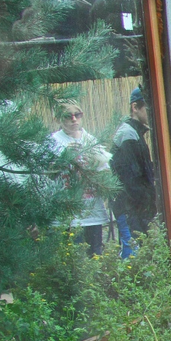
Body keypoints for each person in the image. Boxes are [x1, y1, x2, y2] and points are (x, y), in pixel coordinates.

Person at [48, 99, 111, 256]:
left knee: (95, 255)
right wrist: (63, 157)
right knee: (72, 258)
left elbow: (104, 173)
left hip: (92, 211)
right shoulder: (53, 141)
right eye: (68, 116)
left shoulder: (90, 139)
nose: (74, 119)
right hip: (67, 214)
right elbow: (48, 175)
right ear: (58, 119)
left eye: (77, 115)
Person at [110, 86, 156, 258]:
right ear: (135, 107)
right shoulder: (127, 134)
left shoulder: (135, 132)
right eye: (148, 108)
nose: (152, 113)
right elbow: (131, 179)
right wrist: (148, 202)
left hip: (136, 208)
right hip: (130, 208)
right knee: (133, 256)